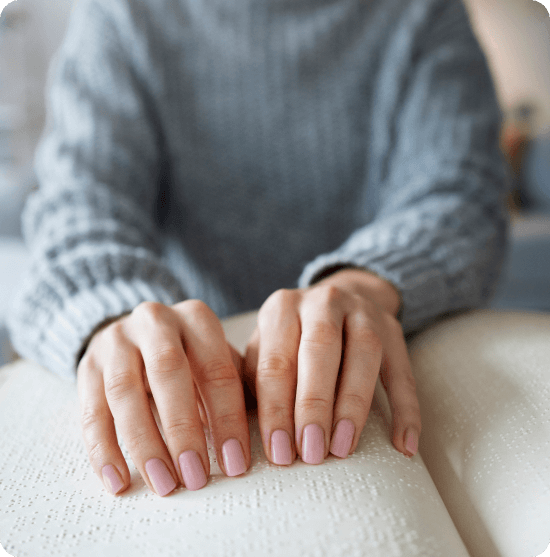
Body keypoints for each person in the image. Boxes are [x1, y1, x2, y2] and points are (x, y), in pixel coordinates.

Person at [7, 0, 508, 498]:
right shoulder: (121, 14)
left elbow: (461, 193)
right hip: (191, 366)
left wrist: (362, 283)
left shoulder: (424, 12)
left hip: (377, 342)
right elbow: (80, 205)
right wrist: (112, 314)